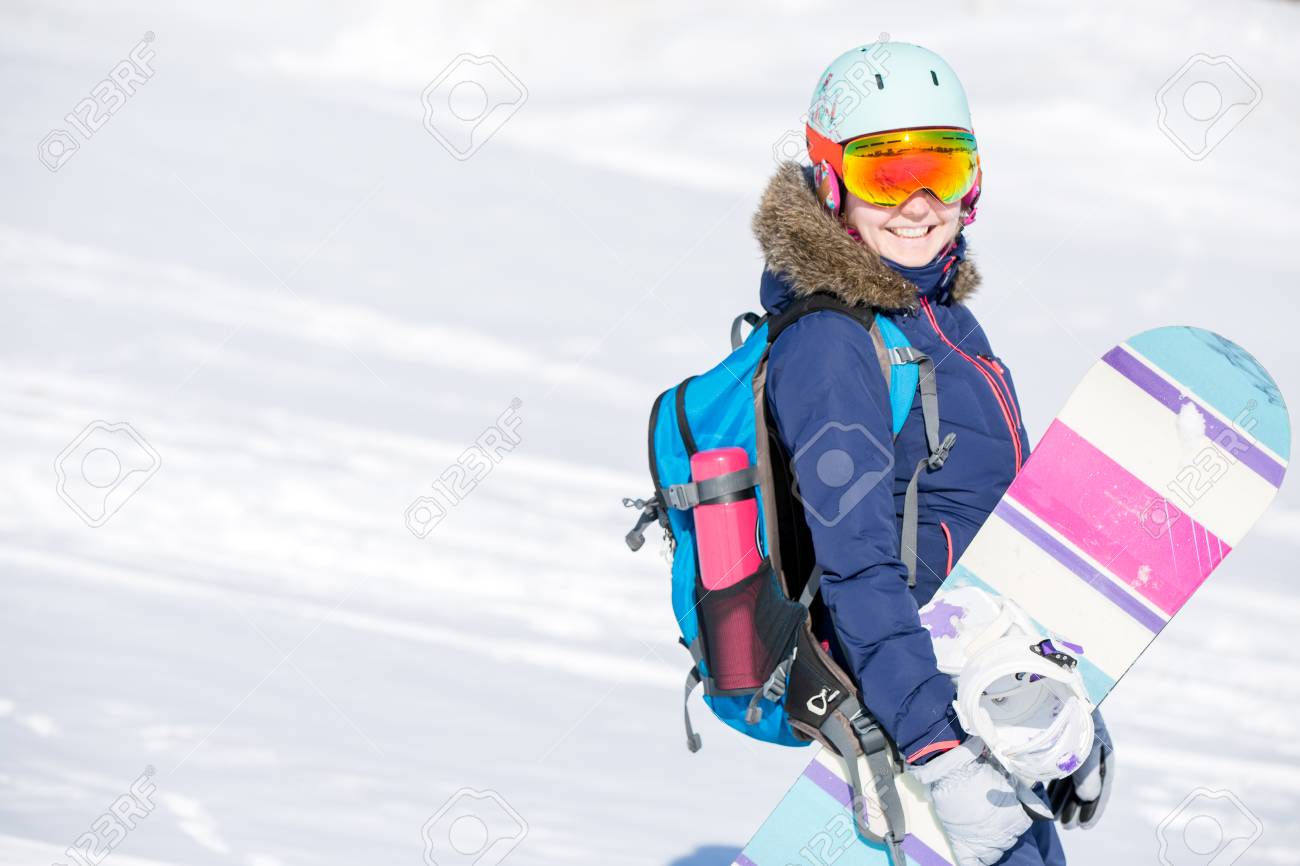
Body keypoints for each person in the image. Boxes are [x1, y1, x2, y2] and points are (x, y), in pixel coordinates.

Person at [754, 42, 1110, 865]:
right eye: (886, 172)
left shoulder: (929, 307)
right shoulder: (832, 344)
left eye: (941, 169)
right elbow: (860, 570)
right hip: (914, 711)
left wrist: (1053, 708)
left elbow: (979, 520)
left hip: (978, 687)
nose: (919, 203)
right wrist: (940, 757)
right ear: (829, 178)